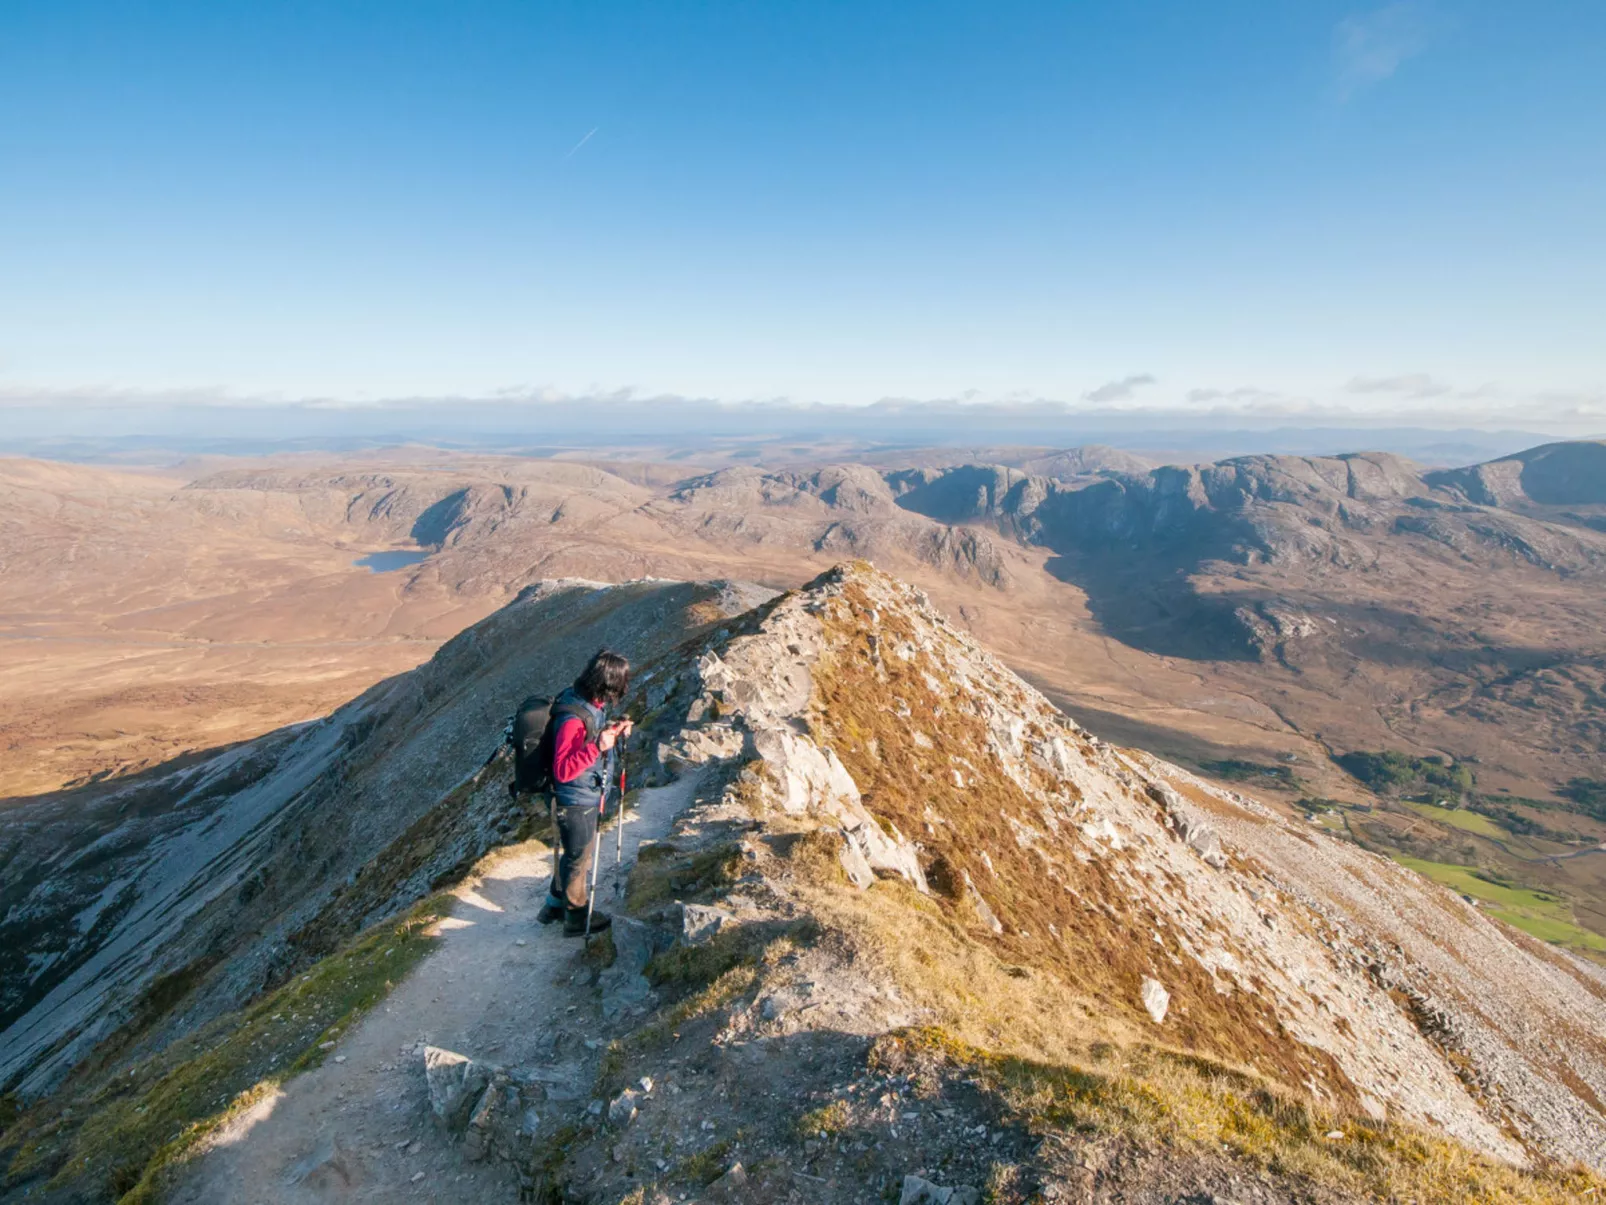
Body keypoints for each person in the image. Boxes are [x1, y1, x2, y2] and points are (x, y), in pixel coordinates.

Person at [536, 649, 633, 936]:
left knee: (572, 854)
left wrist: (613, 733)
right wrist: (598, 747)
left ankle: (553, 906)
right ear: (608, 684)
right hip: (574, 799)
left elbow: (589, 739)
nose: (624, 689)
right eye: (621, 683)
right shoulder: (572, 719)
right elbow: (564, 769)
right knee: (579, 858)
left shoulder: (585, 702)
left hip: (582, 794)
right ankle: (576, 919)